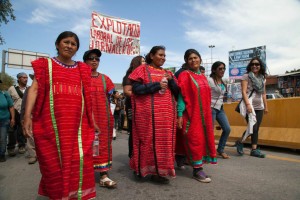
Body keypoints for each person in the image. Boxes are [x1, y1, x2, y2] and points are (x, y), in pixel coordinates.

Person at [23, 31, 96, 199]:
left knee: (78, 162)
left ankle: (73, 195)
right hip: (50, 125)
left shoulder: (82, 69)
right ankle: (58, 194)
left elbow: (87, 98)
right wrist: (27, 116)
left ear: (77, 48)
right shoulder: (45, 65)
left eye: (73, 44)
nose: (69, 46)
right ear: (57, 44)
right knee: (54, 164)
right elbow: (34, 89)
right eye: (66, 42)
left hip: (78, 126)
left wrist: (92, 120)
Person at [129, 46, 179, 184]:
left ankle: (158, 173)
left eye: (164, 56)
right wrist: (156, 86)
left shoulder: (168, 73)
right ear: (151, 56)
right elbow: (136, 89)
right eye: (160, 55)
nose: (163, 58)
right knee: (146, 142)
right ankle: (141, 170)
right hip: (146, 116)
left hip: (165, 117)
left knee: (164, 144)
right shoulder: (141, 70)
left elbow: (177, 92)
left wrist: (172, 81)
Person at [177, 49, 217, 183]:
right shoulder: (185, 75)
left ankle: (182, 159)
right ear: (186, 62)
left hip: (205, 116)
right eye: (190, 59)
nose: (193, 60)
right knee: (195, 140)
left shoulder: (203, 77)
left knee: (203, 139)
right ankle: (197, 170)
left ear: (200, 59)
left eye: (195, 57)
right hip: (191, 115)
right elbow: (182, 97)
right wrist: (179, 114)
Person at [83, 48, 117, 188]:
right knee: (85, 145)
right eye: (91, 58)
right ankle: (84, 175)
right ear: (85, 61)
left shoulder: (105, 79)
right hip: (84, 118)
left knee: (102, 146)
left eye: (97, 58)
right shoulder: (80, 77)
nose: (94, 61)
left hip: (104, 119)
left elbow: (114, 95)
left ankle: (103, 175)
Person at [235, 57, 268, 158]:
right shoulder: (246, 76)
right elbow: (244, 92)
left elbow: (263, 93)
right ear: (250, 66)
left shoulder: (263, 78)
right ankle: (246, 145)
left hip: (260, 106)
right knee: (253, 126)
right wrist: (248, 105)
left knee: (256, 128)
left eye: (257, 64)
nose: (255, 66)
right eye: (253, 64)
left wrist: (266, 107)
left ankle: (250, 147)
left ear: (260, 66)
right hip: (249, 105)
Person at [122, 56, 146, 158]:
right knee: (134, 131)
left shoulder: (145, 75)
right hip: (133, 106)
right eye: (143, 61)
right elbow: (127, 92)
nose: (145, 63)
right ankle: (133, 155)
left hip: (143, 107)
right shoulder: (129, 76)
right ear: (137, 63)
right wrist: (143, 95)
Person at [208, 61, 231, 159]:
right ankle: (209, 152)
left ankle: (220, 150)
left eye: (223, 69)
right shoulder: (209, 80)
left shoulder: (224, 81)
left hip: (220, 108)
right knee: (210, 131)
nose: (222, 70)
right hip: (211, 108)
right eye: (220, 69)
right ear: (214, 70)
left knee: (227, 129)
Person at [7, 72, 28, 156]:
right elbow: (8, 101)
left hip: (24, 112)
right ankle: (11, 147)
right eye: (23, 77)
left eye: (26, 78)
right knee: (12, 130)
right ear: (19, 79)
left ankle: (21, 145)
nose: (26, 79)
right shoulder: (12, 89)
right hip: (14, 112)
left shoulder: (29, 89)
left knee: (22, 129)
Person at [20, 74, 37, 164]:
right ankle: (32, 155)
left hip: (43, 116)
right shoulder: (29, 90)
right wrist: (24, 117)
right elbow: (24, 105)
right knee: (30, 136)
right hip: (31, 116)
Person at [0, 80, 15, 162]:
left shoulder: (4, 94)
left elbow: (11, 107)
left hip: (4, 120)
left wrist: (12, 118)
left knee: (3, 138)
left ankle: (2, 154)